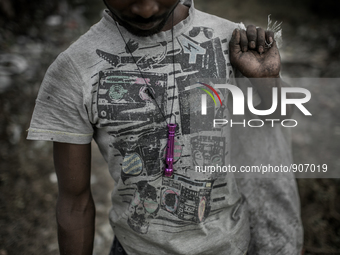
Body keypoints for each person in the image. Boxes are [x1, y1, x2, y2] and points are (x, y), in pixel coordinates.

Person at [27, 0, 303, 254]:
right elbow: (75, 203)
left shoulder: (229, 41)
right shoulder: (74, 69)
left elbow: (279, 118)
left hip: (231, 245)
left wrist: (267, 80)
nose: (146, 9)